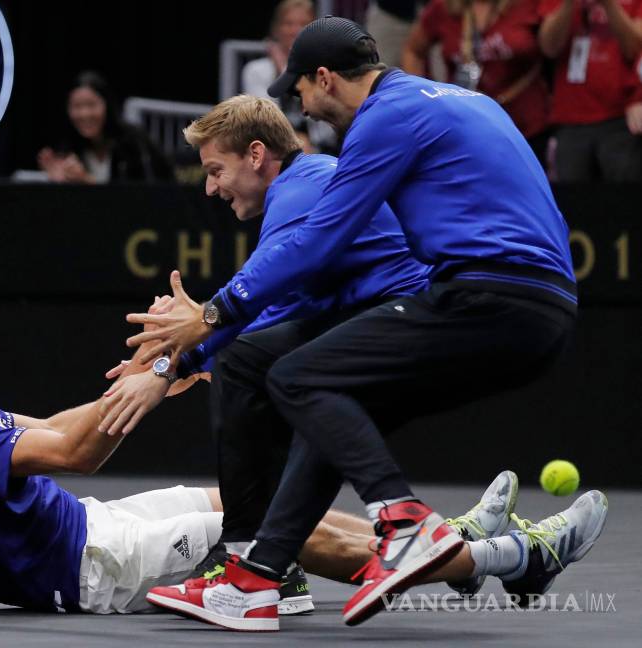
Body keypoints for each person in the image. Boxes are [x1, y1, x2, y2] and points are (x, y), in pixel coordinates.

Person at [107, 17, 607, 631]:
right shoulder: (458, 100)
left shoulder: (380, 121)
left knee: (295, 377)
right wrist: (188, 353)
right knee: (316, 393)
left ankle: (405, 524)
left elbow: (313, 247)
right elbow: (296, 298)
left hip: (489, 297)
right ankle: (257, 577)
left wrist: (203, 325)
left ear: (325, 78)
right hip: (537, 304)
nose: (302, 108)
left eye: (301, 91)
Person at [100, 95, 523, 604]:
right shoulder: (307, 182)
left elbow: (263, 312)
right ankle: (446, 551)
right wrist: (183, 359)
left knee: (244, 367)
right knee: (262, 385)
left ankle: (244, 561)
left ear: (256, 154)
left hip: (401, 327)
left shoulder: (300, 193)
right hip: (384, 321)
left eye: (215, 171)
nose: (210, 187)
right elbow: (272, 311)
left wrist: (172, 365)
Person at [0, 261, 455, 615]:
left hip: (89, 524)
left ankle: (438, 536)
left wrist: (150, 374)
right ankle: (466, 561)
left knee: (239, 500)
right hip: (90, 569)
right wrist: (160, 369)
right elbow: (77, 452)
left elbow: (56, 428)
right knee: (267, 532)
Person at [402, 0, 552, 164]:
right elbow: (413, 51)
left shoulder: (528, 5)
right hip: (464, 130)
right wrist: (426, 99)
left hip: (525, 127)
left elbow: (552, 48)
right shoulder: (444, 8)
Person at [539, 0, 642, 181]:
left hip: (619, 118)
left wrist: (608, 5)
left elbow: (634, 48)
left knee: (625, 193)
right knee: (571, 194)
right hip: (570, 119)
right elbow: (549, 48)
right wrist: (569, 5)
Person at [37, 71, 174, 185]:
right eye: (77, 106)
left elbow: (143, 197)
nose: (84, 114)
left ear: (107, 105)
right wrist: (59, 185)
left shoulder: (133, 141)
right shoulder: (67, 148)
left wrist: (86, 182)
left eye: (91, 105)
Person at [242, 0, 336, 153]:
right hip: (272, 148)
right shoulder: (256, 70)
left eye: (303, 23)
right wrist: (284, 72)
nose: (295, 30)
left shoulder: (324, 69)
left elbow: (326, 131)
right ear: (276, 29)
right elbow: (265, 119)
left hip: (319, 150)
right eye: (288, 23)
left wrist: (285, 69)